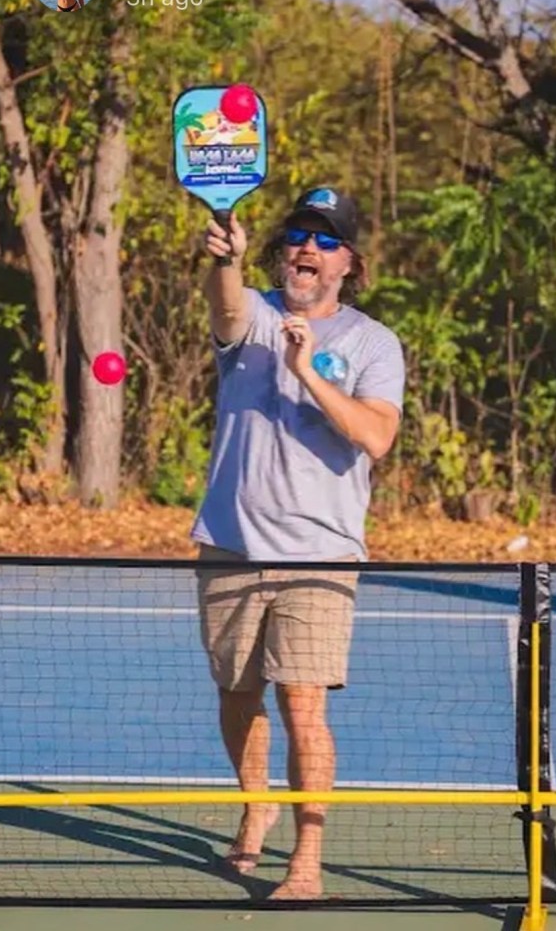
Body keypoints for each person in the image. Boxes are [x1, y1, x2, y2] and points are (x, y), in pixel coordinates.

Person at [193, 186, 405, 900]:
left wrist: (308, 370)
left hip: (320, 554)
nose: (307, 248)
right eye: (298, 236)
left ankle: (307, 860)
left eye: (326, 239)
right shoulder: (255, 314)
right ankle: (257, 805)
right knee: (236, 695)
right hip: (230, 546)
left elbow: (376, 436)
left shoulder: (373, 342)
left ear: (350, 263)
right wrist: (226, 258)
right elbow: (227, 308)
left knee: (303, 705)